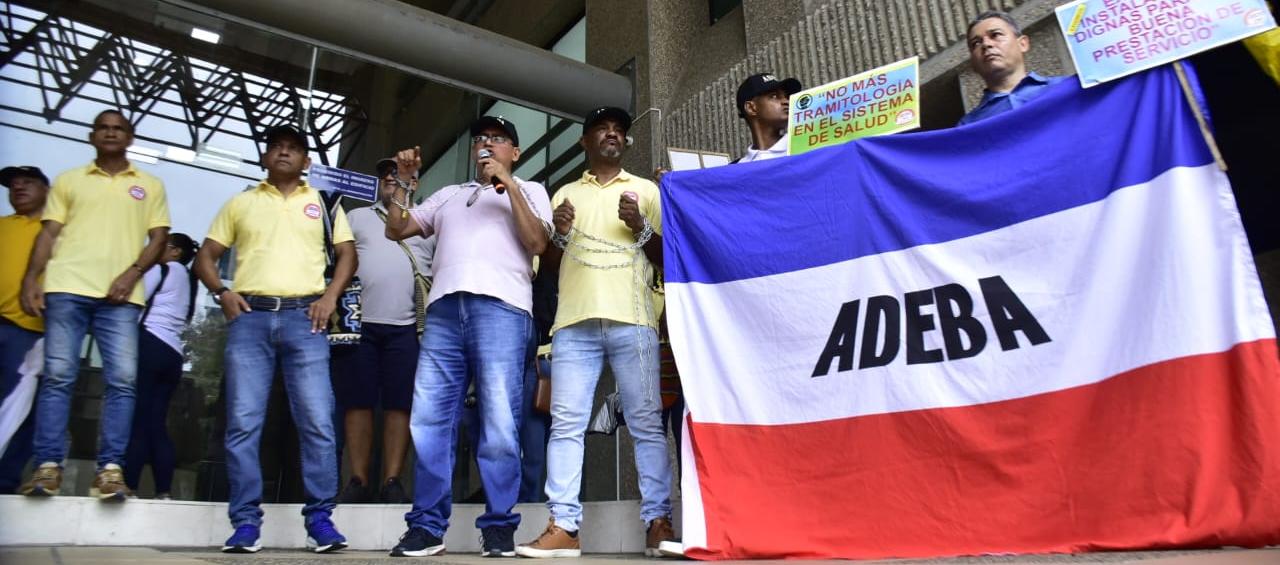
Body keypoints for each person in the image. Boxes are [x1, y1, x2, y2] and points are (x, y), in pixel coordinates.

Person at [382, 115, 551, 558]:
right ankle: (426, 526)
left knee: (498, 420)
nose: (486, 145)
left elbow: (536, 243)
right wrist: (403, 183)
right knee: (430, 420)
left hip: (502, 309)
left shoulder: (531, 191)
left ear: (514, 153)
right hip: (443, 311)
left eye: (497, 140)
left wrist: (508, 185)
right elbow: (396, 228)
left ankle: (498, 525)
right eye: (481, 138)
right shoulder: (449, 195)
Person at [516, 107, 675, 558]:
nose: (613, 134)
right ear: (585, 142)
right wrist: (559, 236)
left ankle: (658, 523)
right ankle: (564, 526)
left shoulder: (646, 191)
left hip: (636, 321)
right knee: (565, 426)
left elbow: (669, 261)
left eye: (619, 131)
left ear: (625, 142)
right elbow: (545, 267)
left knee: (646, 425)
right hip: (573, 325)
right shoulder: (564, 193)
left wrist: (641, 228)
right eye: (603, 129)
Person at [193, 125, 354, 554]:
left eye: (294, 149)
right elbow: (205, 256)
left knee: (318, 422)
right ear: (266, 158)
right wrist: (222, 293)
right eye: (277, 147)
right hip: (250, 319)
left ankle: (320, 520)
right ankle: (245, 523)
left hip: (307, 319)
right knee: (244, 423)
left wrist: (330, 296)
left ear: (306, 162)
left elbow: (348, 255)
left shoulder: (323, 202)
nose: (284, 153)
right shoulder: (241, 202)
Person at [19, 110, 171, 500]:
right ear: (92, 135)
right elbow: (49, 233)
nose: (110, 133)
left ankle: (110, 471)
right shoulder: (70, 181)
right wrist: (32, 279)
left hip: (120, 298)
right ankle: (48, 467)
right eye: (103, 127)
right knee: (58, 378)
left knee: (122, 382)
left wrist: (131, 274)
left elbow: (158, 238)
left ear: (130, 137)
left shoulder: (149, 185)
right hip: (66, 287)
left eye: (118, 128)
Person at [336, 158, 435, 504]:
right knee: (357, 403)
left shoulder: (427, 220)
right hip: (359, 324)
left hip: (408, 328)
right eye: (385, 174)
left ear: (414, 182)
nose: (391, 178)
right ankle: (358, 479)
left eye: (399, 174)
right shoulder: (356, 217)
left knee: (400, 405)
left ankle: (392, 479)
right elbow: (339, 263)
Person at [123, 232, 198, 499]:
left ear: (175, 251)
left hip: (150, 343)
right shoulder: (188, 280)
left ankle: (128, 484)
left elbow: (134, 298)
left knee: (139, 419)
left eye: (160, 246)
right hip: (172, 353)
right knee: (156, 421)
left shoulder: (162, 270)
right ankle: (163, 489)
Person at [0, 166, 49, 493]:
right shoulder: (3, 226)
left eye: (27, 182)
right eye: (13, 184)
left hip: (30, 330)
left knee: (18, 409)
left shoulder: (56, 231)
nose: (18, 187)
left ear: (46, 189)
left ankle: (4, 480)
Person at [957, 11, 1067, 125]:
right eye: (976, 43)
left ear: (1023, 44)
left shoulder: (1066, 88)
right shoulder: (968, 126)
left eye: (995, 35)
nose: (986, 44)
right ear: (973, 63)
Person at [735, 73, 802, 163]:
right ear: (751, 108)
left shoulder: (808, 149)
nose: (787, 101)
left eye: (787, 97)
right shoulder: (736, 168)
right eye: (774, 96)